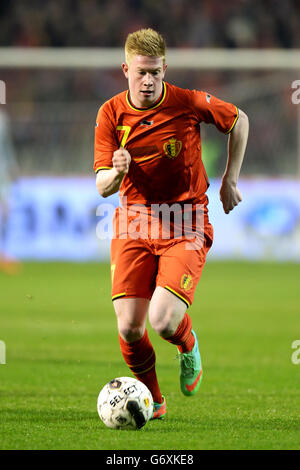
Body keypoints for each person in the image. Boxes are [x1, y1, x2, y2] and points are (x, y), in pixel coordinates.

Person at [94, 28, 249, 420]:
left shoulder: (187, 103)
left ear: (165, 69)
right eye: (141, 73)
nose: (148, 81)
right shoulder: (110, 114)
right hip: (134, 221)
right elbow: (101, 187)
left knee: (162, 320)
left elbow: (240, 120)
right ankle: (154, 401)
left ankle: (187, 343)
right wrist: (116, 173)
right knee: (130, 328)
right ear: (126, 69)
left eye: (156, 73)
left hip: (187, 220)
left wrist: (230, 178)